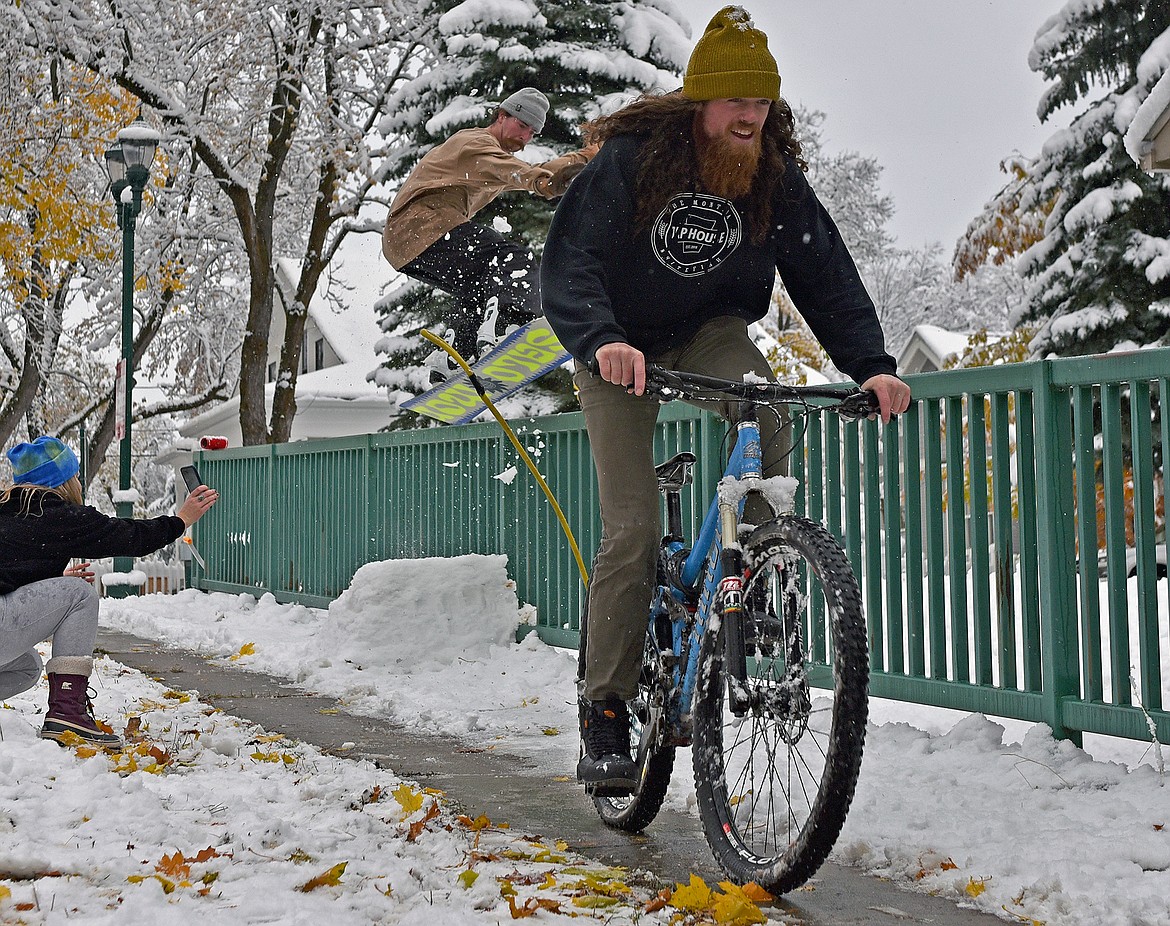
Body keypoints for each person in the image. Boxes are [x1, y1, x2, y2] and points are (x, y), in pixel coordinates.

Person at [541, 5, 912, 793]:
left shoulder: (773, 178)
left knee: (766, 401)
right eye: (737, 102)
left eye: (762, 104)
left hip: (708, 333)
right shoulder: (636, 162)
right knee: (634, 528)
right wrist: (602, 338)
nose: (751, 117)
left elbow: (825, 274)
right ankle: (605, 705)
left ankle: (762, 569)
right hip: (619, 348)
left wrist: (872, 364)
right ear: (701, 103)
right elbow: (572, 260)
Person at [0, 436, 218, 748]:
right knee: (80, 593)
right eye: (74, 475)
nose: (77, 481)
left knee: (27, 667)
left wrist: (51, 578)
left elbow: (10, 562)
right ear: (60, 480)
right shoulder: (57, 514)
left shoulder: (9, 510)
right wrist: (181, 520)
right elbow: (131, 537)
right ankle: (66, 712)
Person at [382, 87, 599, 379]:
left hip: (406, 243)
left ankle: (452, 356)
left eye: (532, 132)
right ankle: (510, 323)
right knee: (511, 258)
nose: (524, 137)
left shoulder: (489, 158)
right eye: (521, 125)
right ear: (501, 116)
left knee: (478, 285)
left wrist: (582, 160)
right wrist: (571, 165)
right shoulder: (475, 144)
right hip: (422, 225)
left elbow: (534, 173)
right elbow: (528, 175)